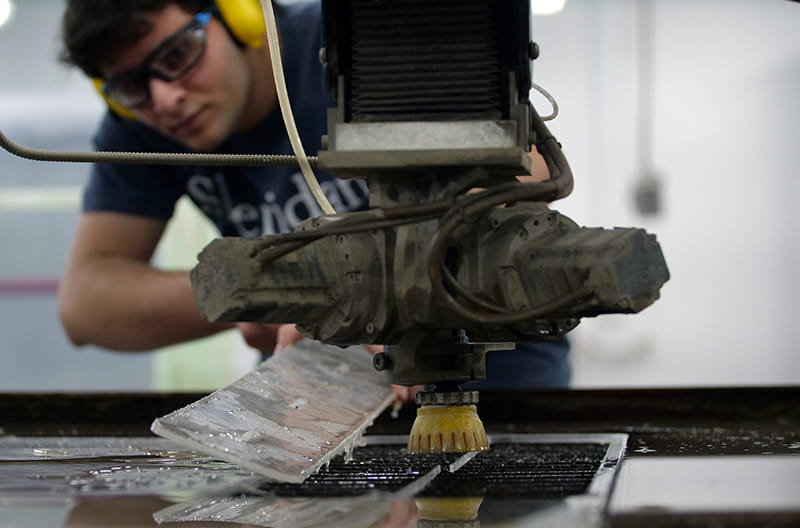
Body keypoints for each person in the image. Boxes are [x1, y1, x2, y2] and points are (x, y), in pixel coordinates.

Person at [57, 0, 570, 390]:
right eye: (130, 86)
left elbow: (529, 169)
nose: (165, 98)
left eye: (178, 54)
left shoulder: (352, 46)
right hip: (319, 398)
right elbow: (87, 304)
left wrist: (389, 282)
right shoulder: (140, 123)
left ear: (239, 15)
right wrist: (263, 291)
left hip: (498, 384)